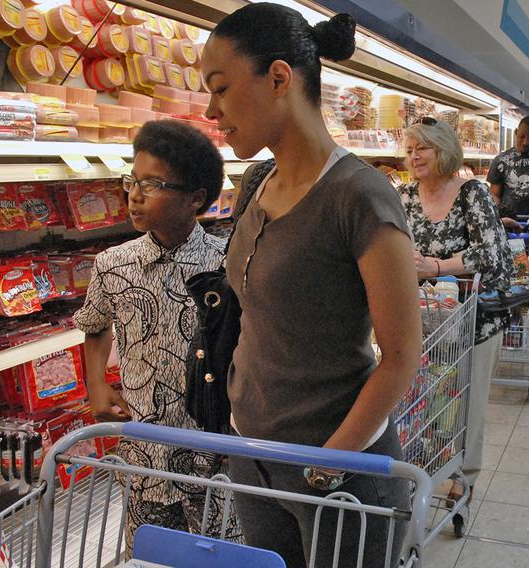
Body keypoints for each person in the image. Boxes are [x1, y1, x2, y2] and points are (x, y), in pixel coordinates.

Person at [201, 5, 421, 567]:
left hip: (337, 472)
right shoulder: (257, 183)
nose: (211, 111)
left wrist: (329, 462)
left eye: (220, 88)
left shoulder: (360, 196)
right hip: (253, 454)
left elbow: (400, 356)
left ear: (278, 78)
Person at [74, 120, 240, 553]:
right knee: (150, 553)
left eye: (154, 183)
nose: (135, 193)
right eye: (133, 180)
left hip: (214, 450)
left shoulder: (228, 266)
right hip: (145, 450)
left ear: (196, 199)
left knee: (219, 553)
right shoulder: (113, 264)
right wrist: (96, 383)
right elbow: (94, 324)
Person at [398, 117, 513, 504]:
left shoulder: (471, 194)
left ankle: (463, 475)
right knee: (424, 401)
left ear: (443, 150)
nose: (414, 157)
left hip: (473, 320)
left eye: (422, 149)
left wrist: (435, 266)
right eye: (410, 150)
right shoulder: (405, 196)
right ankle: (424, 465)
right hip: (423, 318)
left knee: (468, 399)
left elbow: (492, 252)